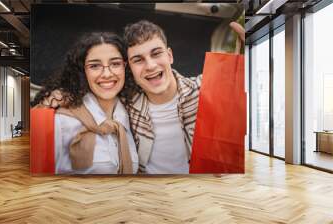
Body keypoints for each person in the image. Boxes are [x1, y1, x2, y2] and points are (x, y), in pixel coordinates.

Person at [40, 21, 245, 174]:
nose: (150, 65)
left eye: (156, 54)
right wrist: (57, 96)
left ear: (170, 56)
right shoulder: (128, 104)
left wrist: (247, 60)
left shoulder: (207, 90)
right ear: (130, 68)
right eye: (138, 59)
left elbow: (242, 89)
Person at [37, 32, 139, 174]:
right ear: (82, 71)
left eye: (115, 64)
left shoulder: (133, 117)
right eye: (95, 66)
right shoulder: (61, 121)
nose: (107, 74)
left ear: (125, 67)